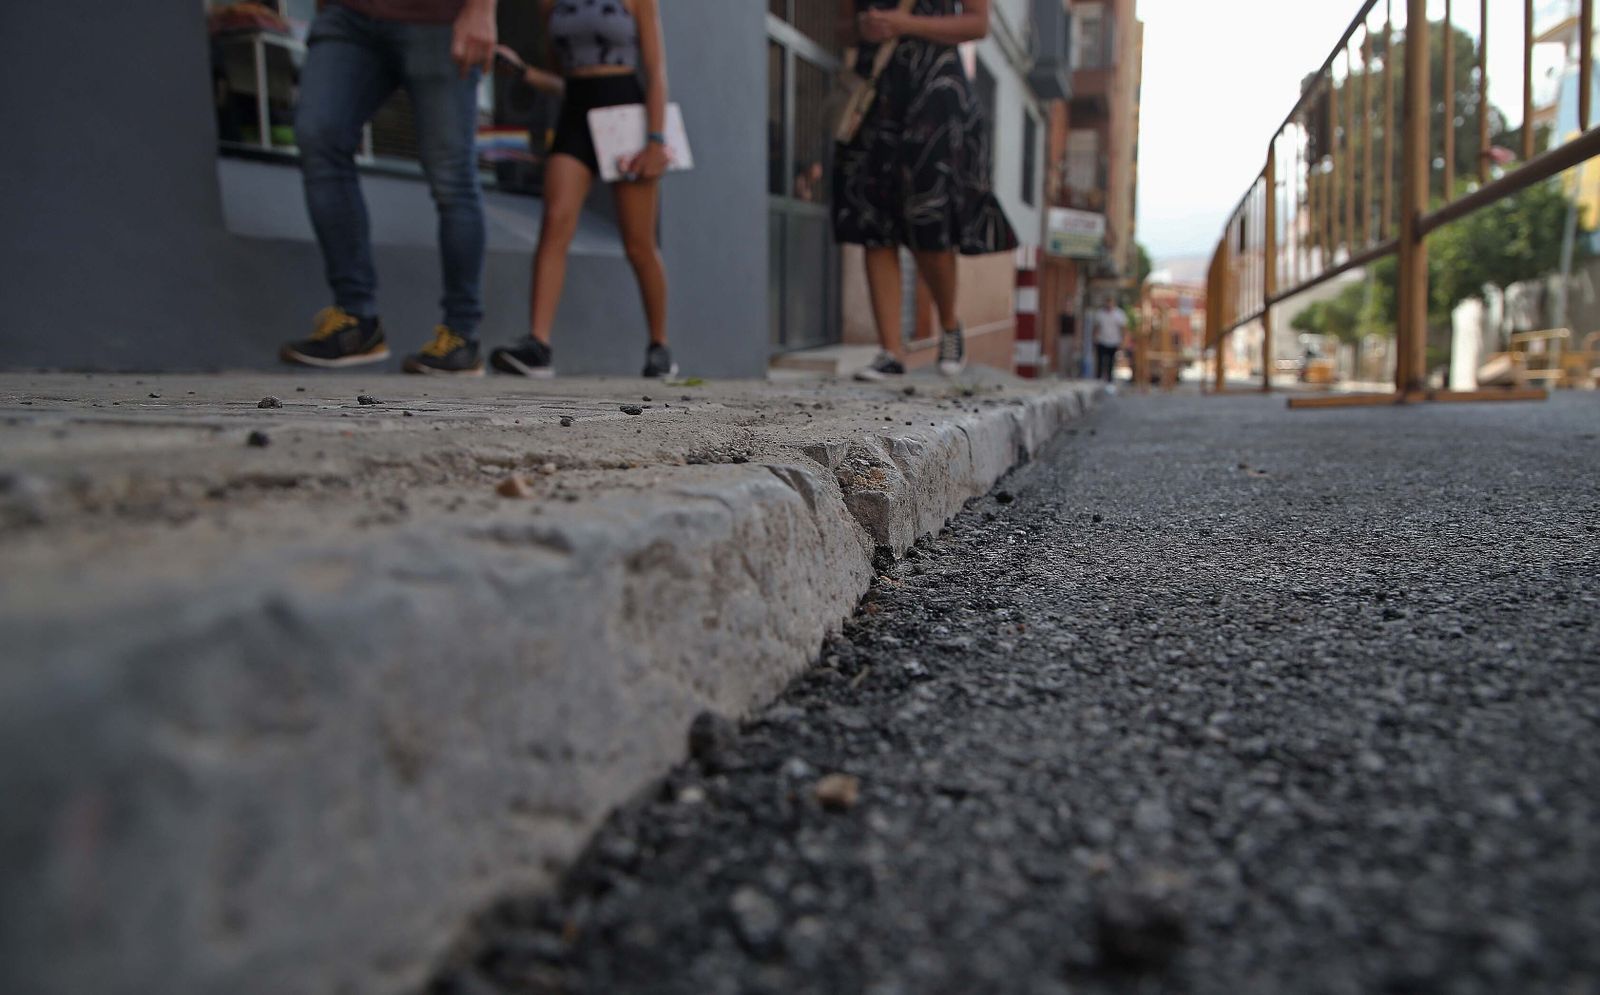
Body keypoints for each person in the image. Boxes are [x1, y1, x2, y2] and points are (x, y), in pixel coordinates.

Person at [279, 0, 499, 375]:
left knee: (452, 177)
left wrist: (481, 9)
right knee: (319, 135)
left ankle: (462, 334)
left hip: (438, 18)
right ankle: (355, 320)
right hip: (347, 15)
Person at [488, 0, 675, 378]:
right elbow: (561, 80)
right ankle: (539, 345)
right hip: (575, 115)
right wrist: (524, 73)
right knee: (554, 221)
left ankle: (660, 346)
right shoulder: (548, 5)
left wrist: (655, 141)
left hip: (625, 114)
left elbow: (656, 73)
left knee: (638, 243)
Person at [834, 0, 1017, 382]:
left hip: (934, 92)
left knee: (929, 218)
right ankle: (890, 351)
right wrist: (864, 27)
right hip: (875, 90)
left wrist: (904, 23)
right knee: (873, 220)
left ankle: (949, 326)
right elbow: (840, 26)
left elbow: (978, 24)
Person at [1091, 298, 1127, 386]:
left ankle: (1109, 381)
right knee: (1100, 361)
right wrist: (1094, 338)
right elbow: (1096, 327)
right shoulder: (1100, 314)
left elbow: (1123, 329)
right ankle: (1098, 380)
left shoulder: (1119, 314)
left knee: (1111, 362)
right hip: (1102, 340)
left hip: (1114, 341)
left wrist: (1123, 341)